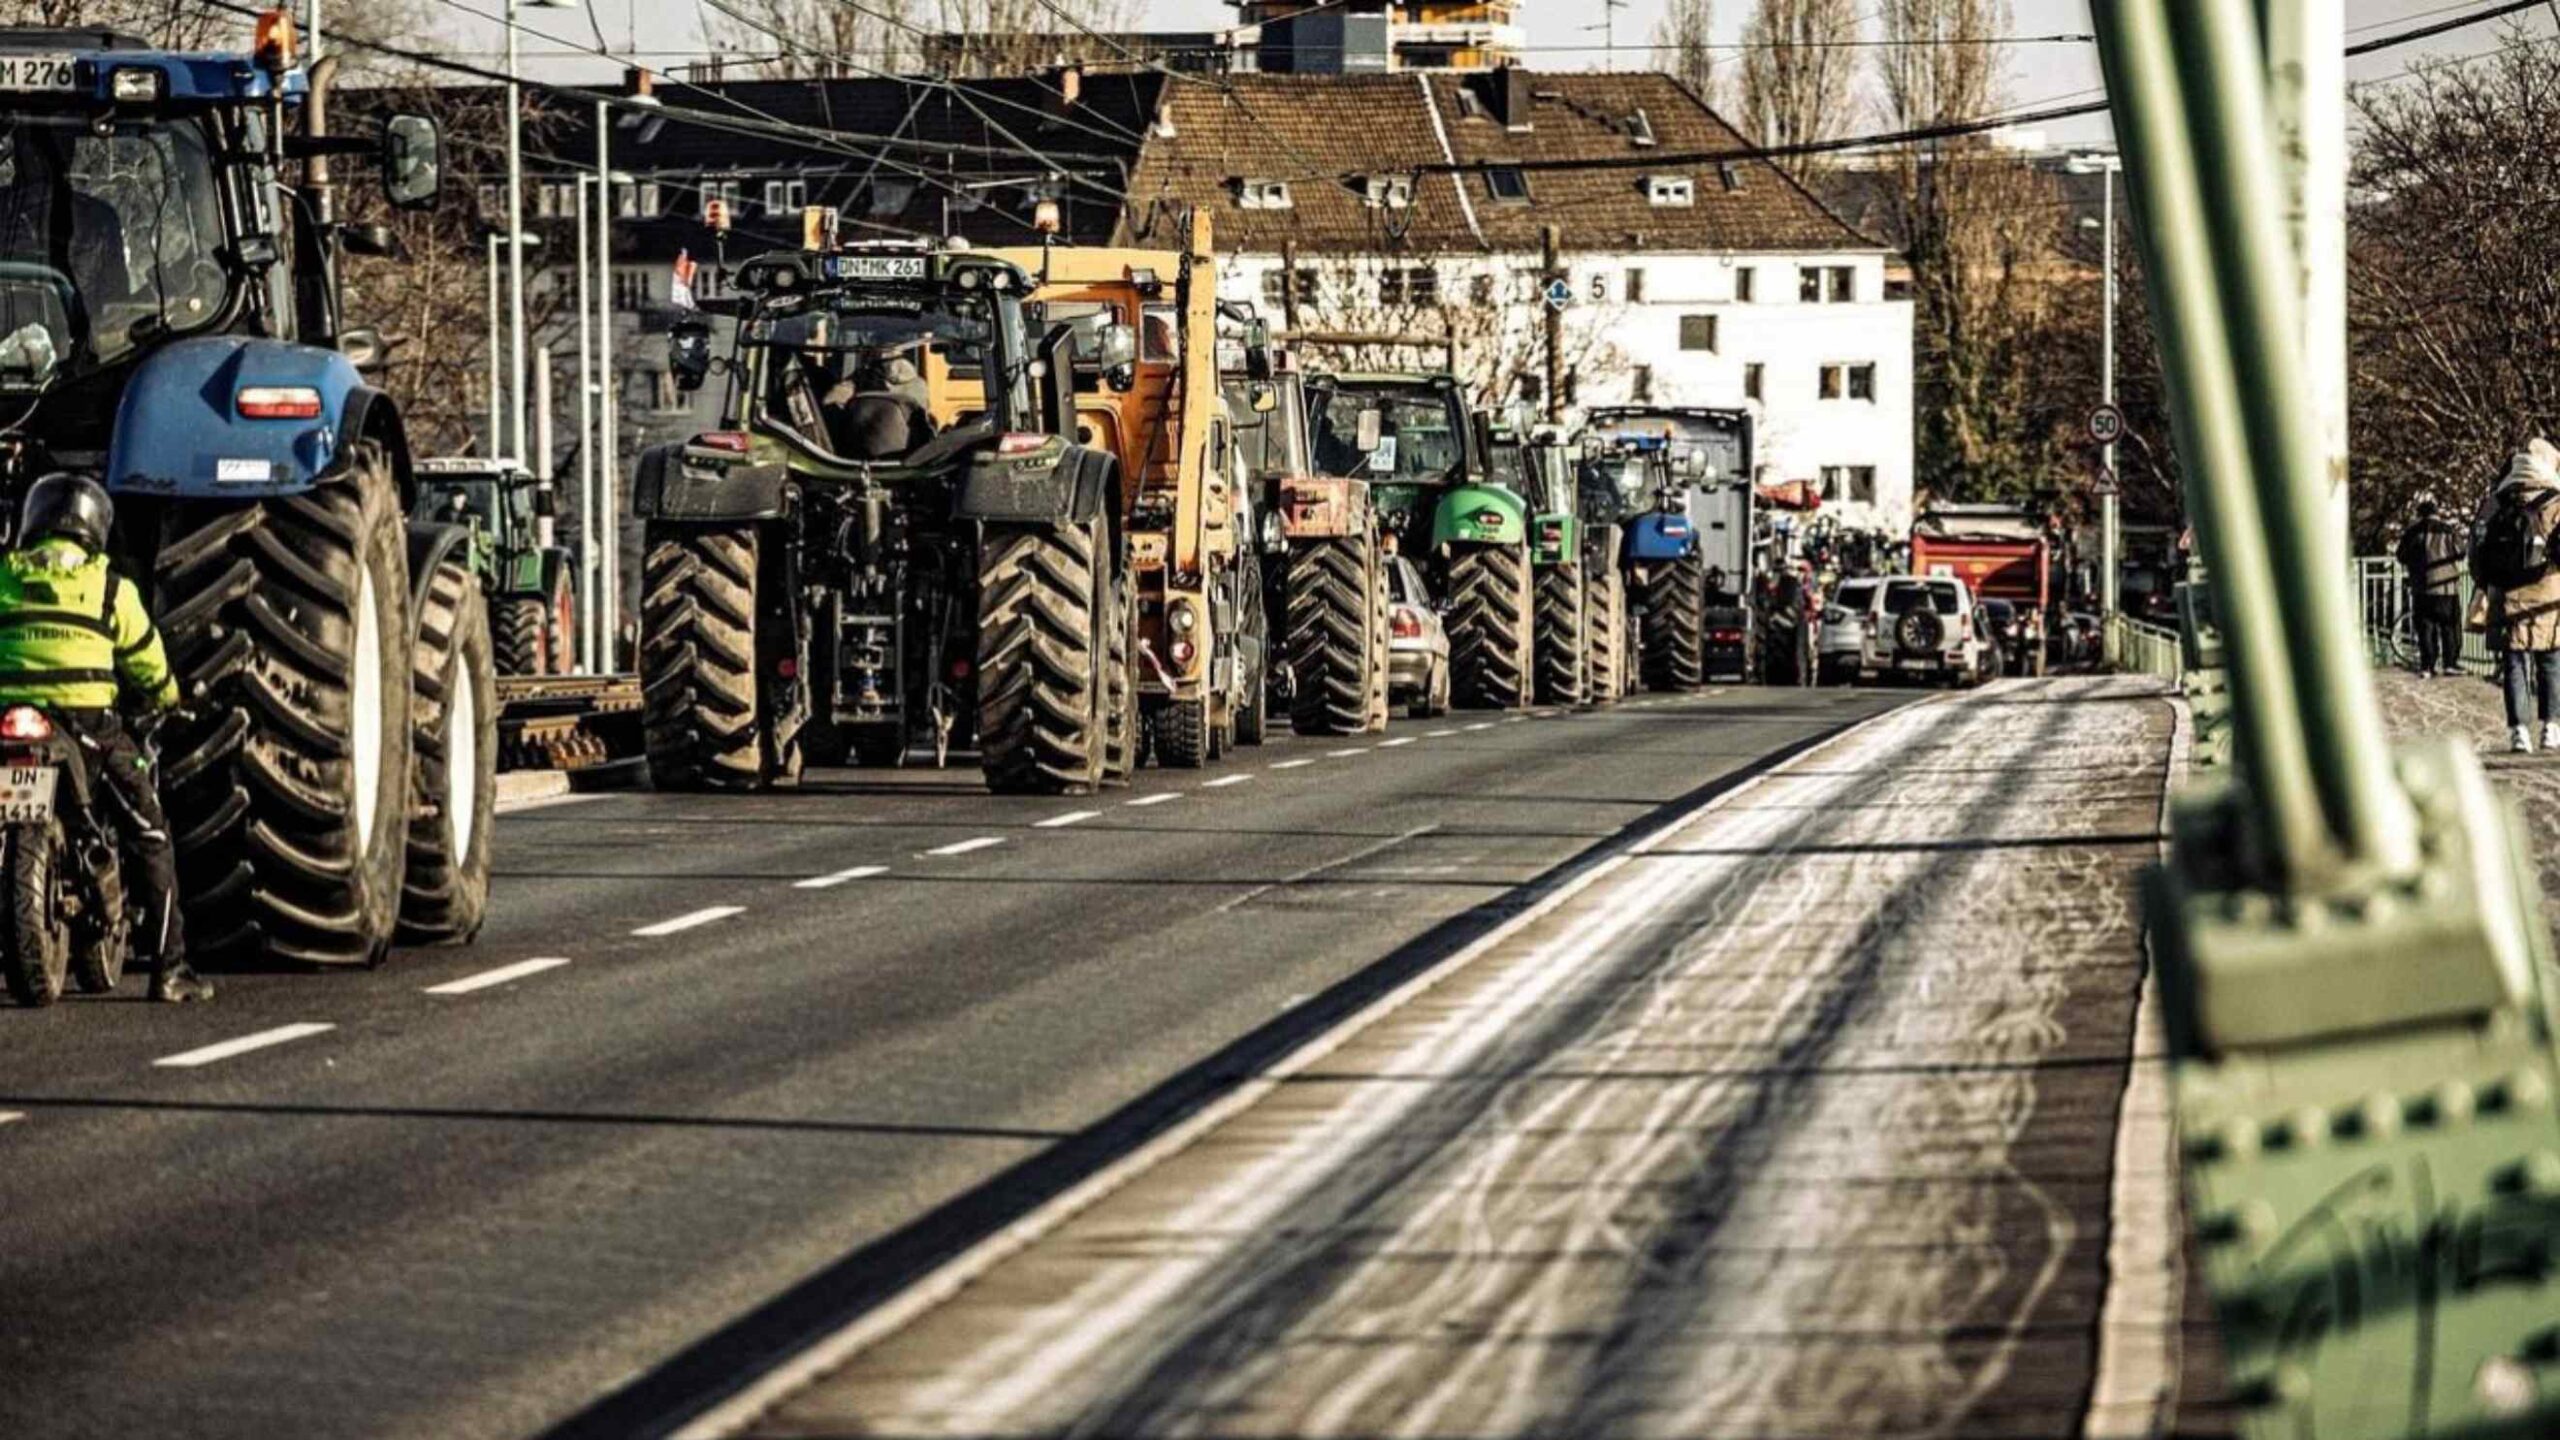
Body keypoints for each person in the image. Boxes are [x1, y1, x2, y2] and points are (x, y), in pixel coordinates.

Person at [0, 475, 208, 1000]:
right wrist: (169, 697)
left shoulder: (3, 574)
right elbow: (147, 662)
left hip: (9, 718)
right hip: (87, 727)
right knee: (149, 832)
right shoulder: (110, 586)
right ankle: (171, 970)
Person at [2472, 439, 2560, 754]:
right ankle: (2551, 728)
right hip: (2549, 593)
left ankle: (2518, 732)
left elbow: (2476, 551)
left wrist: (2484, 585)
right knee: (2550, 660)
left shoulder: (2495, 502)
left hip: (2506, 594)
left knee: (2514, 664)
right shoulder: (2555, 501)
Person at [2394, 497, 2466, 676]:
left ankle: (2428, 665)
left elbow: (2401, 555)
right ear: (2437, 514)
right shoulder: (2448, 530)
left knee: (2426, 628)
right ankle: (2450, 663)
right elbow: (2461, 552)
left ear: (2420, 514)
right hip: (2446, 587)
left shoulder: (2412, 533)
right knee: (2449, 626)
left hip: (2422, 587)